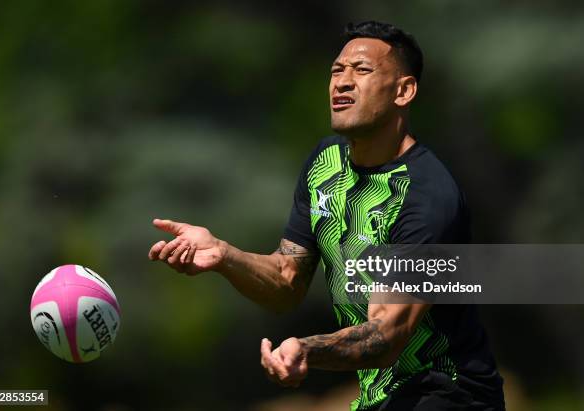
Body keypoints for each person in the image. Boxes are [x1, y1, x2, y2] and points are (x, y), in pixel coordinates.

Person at [148, 21, 505, 411]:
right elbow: (287, 281)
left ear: (404, 91)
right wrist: (224, 255)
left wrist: (305, 349)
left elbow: (387, 333)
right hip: (384, 398)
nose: (342, 82)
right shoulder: (325, 163)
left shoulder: (427, 196)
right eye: (337, 71)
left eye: (362, 70)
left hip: (450, 395)